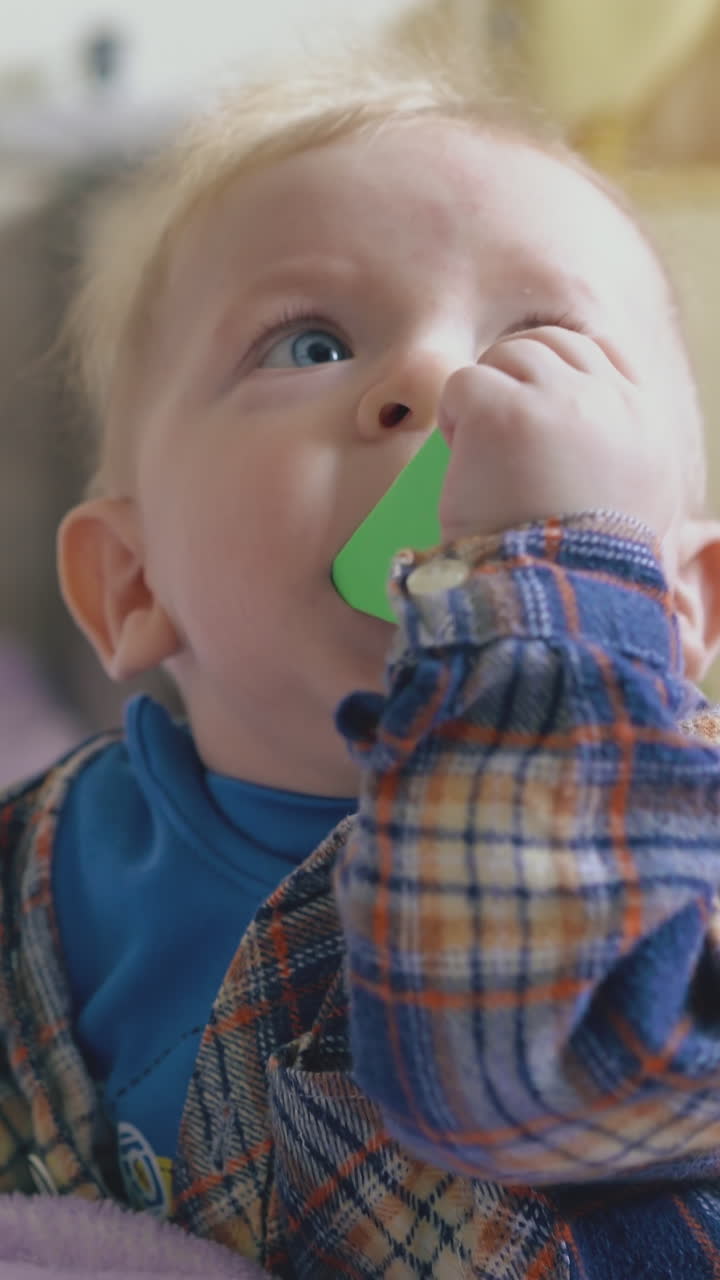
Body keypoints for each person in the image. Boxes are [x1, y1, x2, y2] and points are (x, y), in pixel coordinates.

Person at [2, 47, 720, 1280]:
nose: (440, 387)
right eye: (313, 343)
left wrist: (547, 598)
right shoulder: (42, 867)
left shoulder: (686, 857)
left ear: (684, 605)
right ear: (132, 585)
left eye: (544, 348)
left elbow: (558, 1088)